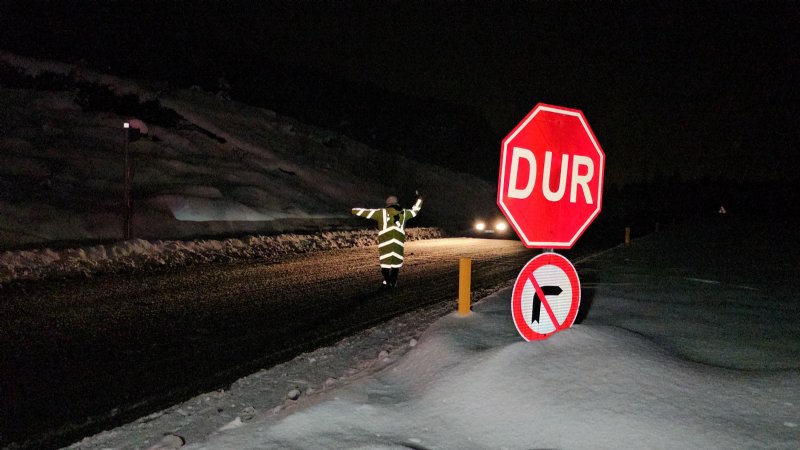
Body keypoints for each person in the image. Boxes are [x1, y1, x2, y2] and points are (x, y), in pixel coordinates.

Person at [351, 192, 423, 288]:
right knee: (396, 264)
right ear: (396, 203)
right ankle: (393, 282)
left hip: (385, 244)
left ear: (387, 204)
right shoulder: (405, 213)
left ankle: (387, 281)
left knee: (385, 264)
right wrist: (419, 200)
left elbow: (366, 212)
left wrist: (353, 210)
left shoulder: (381, 212)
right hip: (398, 244)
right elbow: (415, 211)